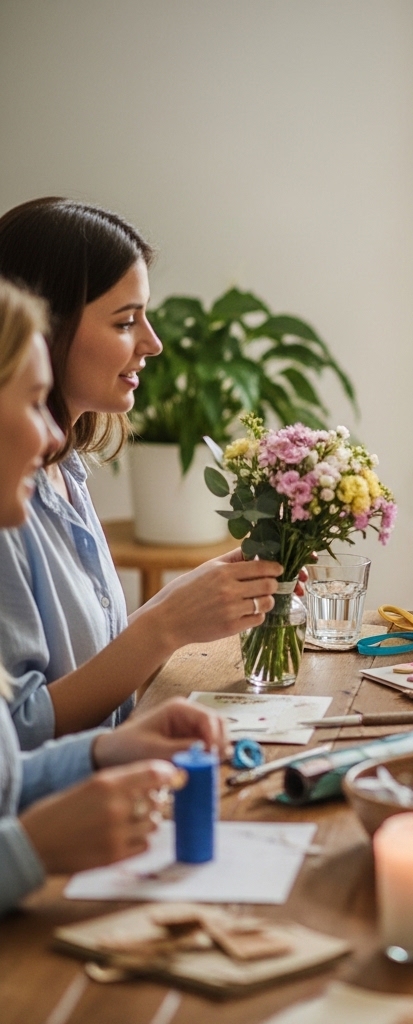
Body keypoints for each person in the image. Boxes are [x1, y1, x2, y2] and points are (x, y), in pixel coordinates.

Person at [0, 198, 285, 748]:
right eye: (126, 321)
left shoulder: (68, 472)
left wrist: (188, 605)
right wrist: (166, 626)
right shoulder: (10, 508)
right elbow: (19, 737)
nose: (152, 343)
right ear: (46, 330)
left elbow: (92, 668)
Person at [0, 276, 226, 914]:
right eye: (31, 402)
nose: (50, 437)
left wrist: (105, 749)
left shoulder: (65, 475)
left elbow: (6, 779)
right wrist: (29, 852)